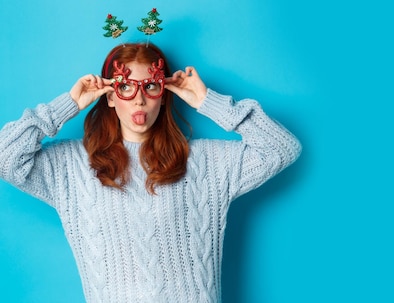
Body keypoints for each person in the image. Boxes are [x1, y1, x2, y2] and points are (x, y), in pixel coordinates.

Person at [0, 43, 301, 302]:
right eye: (126, 87)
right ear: (109, 94)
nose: (140, 99)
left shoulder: (206, 162)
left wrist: (208, 102)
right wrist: (67, 105)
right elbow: (6, 158)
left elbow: (281, 149)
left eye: (151, 86)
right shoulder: (71, 166)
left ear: (164, 92)